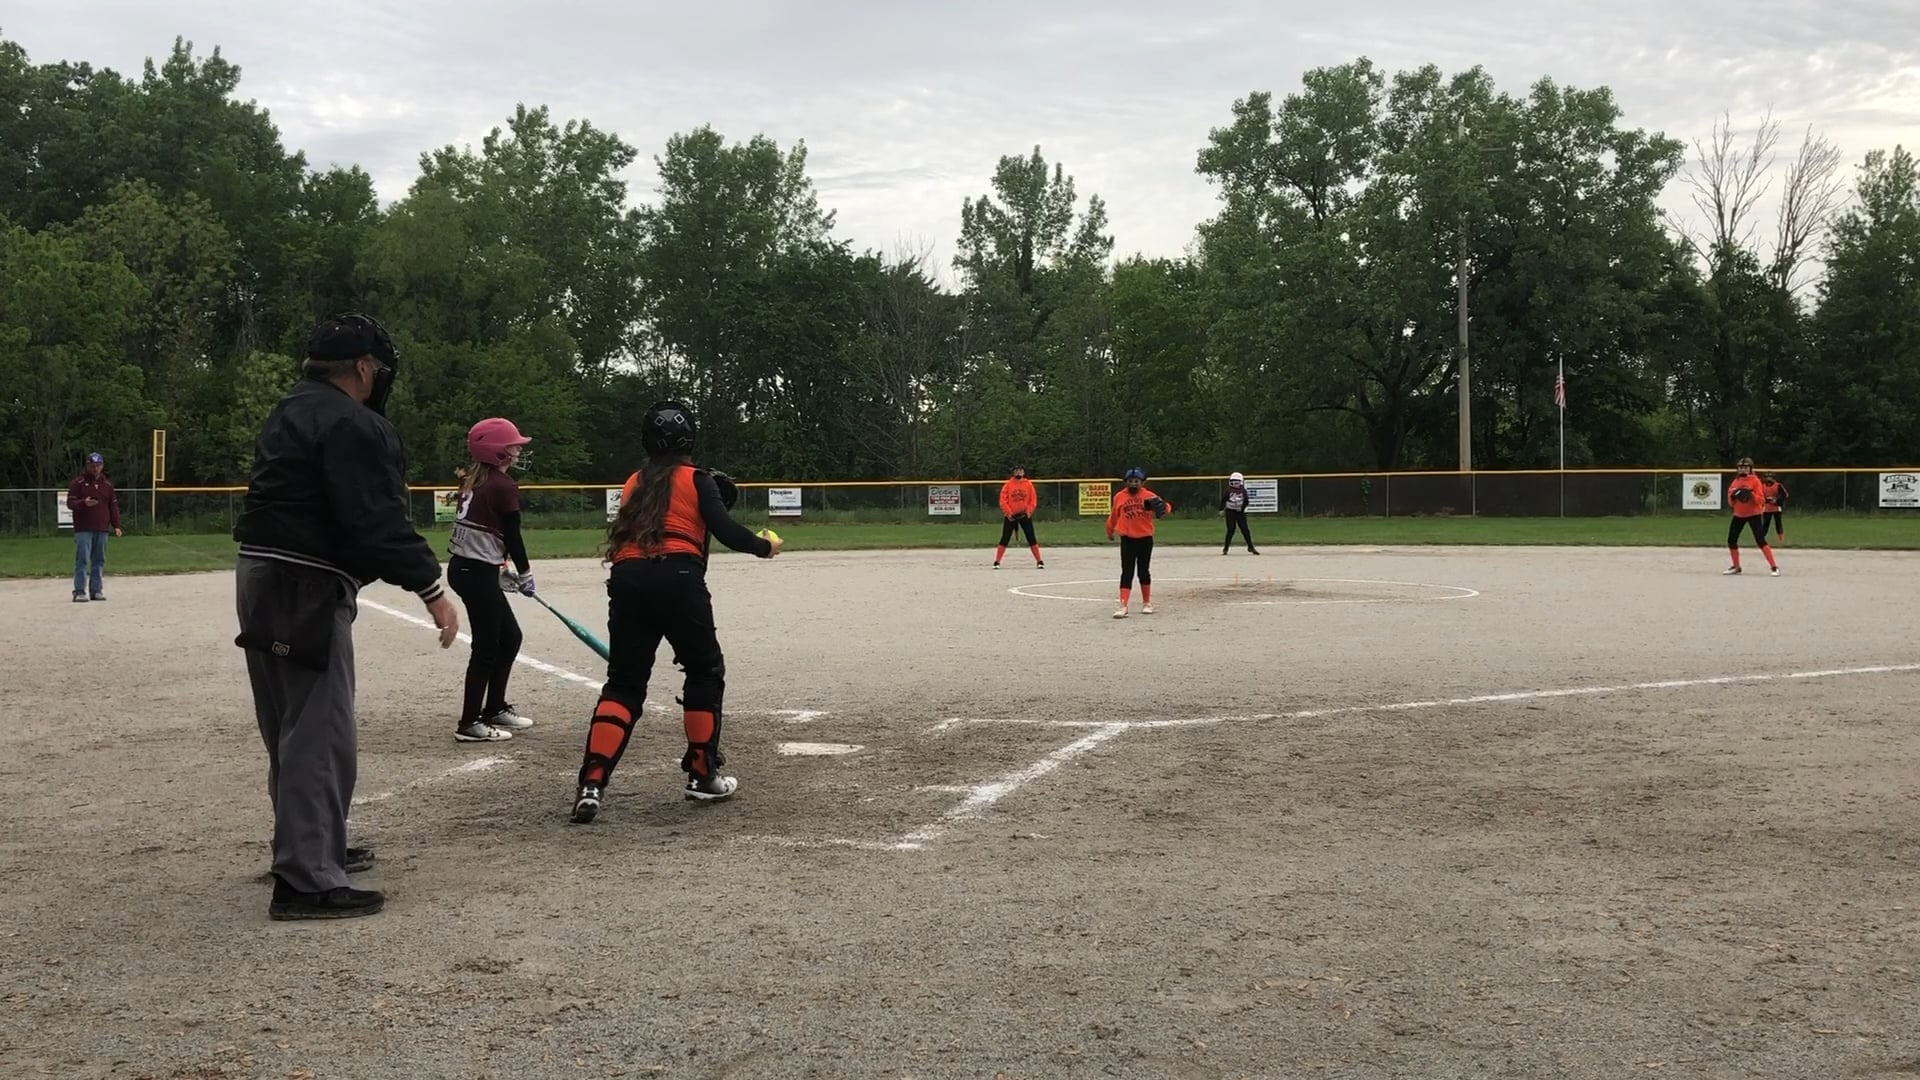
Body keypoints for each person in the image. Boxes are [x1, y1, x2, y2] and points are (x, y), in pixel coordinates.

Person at [232, 313, 459, 921]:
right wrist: (431, 587)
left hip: (261, 571)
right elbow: (374, 522)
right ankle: (306, 879)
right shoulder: (351, 422)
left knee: (289, 723)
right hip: (303, 580)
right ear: (362, 368)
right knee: (319, 730)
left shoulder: (290, 408)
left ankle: (310, 846)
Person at [570, 401, 780, 824]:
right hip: (679, 577)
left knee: (624, 685)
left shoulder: (634, 481)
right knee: (704, 671)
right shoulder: (698, 479)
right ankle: (703, 774)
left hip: (628, 577)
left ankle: (592, 783)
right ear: (690, 440)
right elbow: (725, 530)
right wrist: (765, 546)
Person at [446, 417, 536, 744]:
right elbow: (512, 535)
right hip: (475, 571)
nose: (518, 451)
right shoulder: (502, 485)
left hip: (470, 568)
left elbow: (482, 536)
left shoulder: (476, 480)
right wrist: (524, 573)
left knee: (510, 638)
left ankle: (494, 707)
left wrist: (498, 569)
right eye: (513, 446)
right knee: (487, 646)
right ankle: (469, 722)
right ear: (497, 451)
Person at [1106, 467, 1171, 618]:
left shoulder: (1149, 495)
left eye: (1136, 481)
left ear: (1142, 482)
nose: (1133, 484)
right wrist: (1109, 531)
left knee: (1143, 571)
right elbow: (1113, 516)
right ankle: (1123, 605)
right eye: (1130, 481)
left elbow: (1166, 508)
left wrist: (1162, 506)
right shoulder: (1119, 497)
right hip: (1127, 539)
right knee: (1127, 572)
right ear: (1126, 482)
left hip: (1145, 539)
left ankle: (1147, 603)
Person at [67, 452, 122, 602]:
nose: (95, 468)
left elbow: (113, 507)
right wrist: (83, 503)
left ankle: (96, 590)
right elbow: (70, 503)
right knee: (83, 559)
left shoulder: (107, 485)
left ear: (102, 466)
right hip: (84, 528)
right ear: (87, 466)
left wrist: (116, 525)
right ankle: (79, 591)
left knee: (99, 560)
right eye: (92, 466)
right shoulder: (78, 483)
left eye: (98, 465)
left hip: (102, 527)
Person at [1723, 457, 1779, 577]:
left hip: (1754, 514)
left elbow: (1761, 500)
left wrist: (1751, 494)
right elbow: (1731, 503)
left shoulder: (1755, 481)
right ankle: (1736, 567)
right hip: (1738, 515)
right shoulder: (1735, 482)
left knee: (1760, 540)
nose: (1743, 470)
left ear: (1750, 469)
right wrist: (1733, 497)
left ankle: (1774, 567)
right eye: (1740, 468)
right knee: (1731, 540)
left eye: (1745, 468)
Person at [993, 466, 1045, 570]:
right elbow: (1003, 501)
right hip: (1011, 516)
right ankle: (997, 561)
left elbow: (1033, 500)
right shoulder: (1008, 485)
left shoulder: (1028, 484)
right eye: (1016, 471)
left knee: (1031, 537)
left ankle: (1039, 560)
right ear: (1013, 472)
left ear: (1024, 472)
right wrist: (1009, 513)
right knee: (1005, 538)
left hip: (1024, 515)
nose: (1019, 472)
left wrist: (1028, 512)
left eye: (1021, 470)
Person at [1220, 471, 1258, 555]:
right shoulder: (1228, 490)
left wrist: (1241, 508)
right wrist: (1222, 509)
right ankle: (1226, 548)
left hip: (1239, 512)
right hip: (1230, 512)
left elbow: (1246, 501)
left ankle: (1250, 547)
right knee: (1231, 530)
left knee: (1245, 530)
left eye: (1237, 481)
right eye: (1233, 481)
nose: (1235, 483)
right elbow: (1224, 500)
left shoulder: (1243, 491)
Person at [1761, 471, 1789, 542]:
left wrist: (1777, 500)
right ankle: (1762, 538)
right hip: (1767, 508)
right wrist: (1766, 500)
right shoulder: (1762, 486)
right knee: (1765, 524)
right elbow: (1760, 496)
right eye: (1767, 477)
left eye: (1770, 477)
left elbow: (1785, 495)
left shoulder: (1778, 485)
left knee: (1778, 523)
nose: (1768, 479)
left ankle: (1780, 539)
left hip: (1776, 507)